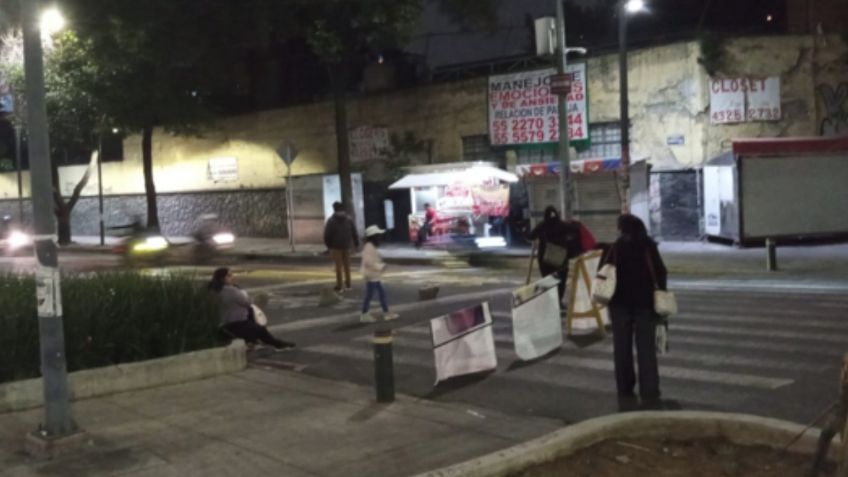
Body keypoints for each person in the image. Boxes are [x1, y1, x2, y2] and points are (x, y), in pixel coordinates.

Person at [600, 214, 667, 409]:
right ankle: (650, 389)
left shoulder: (617, 247)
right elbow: (661, 272)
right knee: (646, 349)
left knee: (622, 349)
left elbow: (605, 271)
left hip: (620, 305)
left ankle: (625, 388)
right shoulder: (648, 246)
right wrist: (660, 292)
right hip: (645, 305)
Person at [208, 267, 294, 349]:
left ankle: (256, 341)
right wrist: (242, 292)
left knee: (252, 318)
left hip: (222, 326)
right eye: (229, 275)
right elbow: (247, 303)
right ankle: (275, 343)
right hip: (236, 324)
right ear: (222, 279)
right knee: (260, 328)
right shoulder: (231, 291)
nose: (233, 277)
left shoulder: (213, 290)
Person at [528, 206, 586, 301]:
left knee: (548, 280)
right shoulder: (562, 225)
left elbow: (531, 236)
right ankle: (559, 300)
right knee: (560, 281)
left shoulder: (542, 225)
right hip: (560, 259)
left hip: (544, 259)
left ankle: (551, 302)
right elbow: (576, 230)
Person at [360, 225, 398, 323]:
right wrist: (380, 266)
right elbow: (368, 262)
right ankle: (365, 314)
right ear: (374, 236)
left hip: (373, 275)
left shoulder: (370, 246)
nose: (380, 237)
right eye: (378, 235)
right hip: (372, 275)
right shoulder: (369, 247)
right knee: (371, 295)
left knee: (380, 294)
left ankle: (385, 313)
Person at [324, 201, 359, 292]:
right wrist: (356, 243)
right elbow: (354, 232)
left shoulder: (331, 220)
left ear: (334, 209)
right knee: (347, 266)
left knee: (338, 267)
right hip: (346, 246)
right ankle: (348, 285)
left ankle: (339, 286)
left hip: (336, 247)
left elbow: (327, 235)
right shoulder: (348, 219)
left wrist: (329, 246)